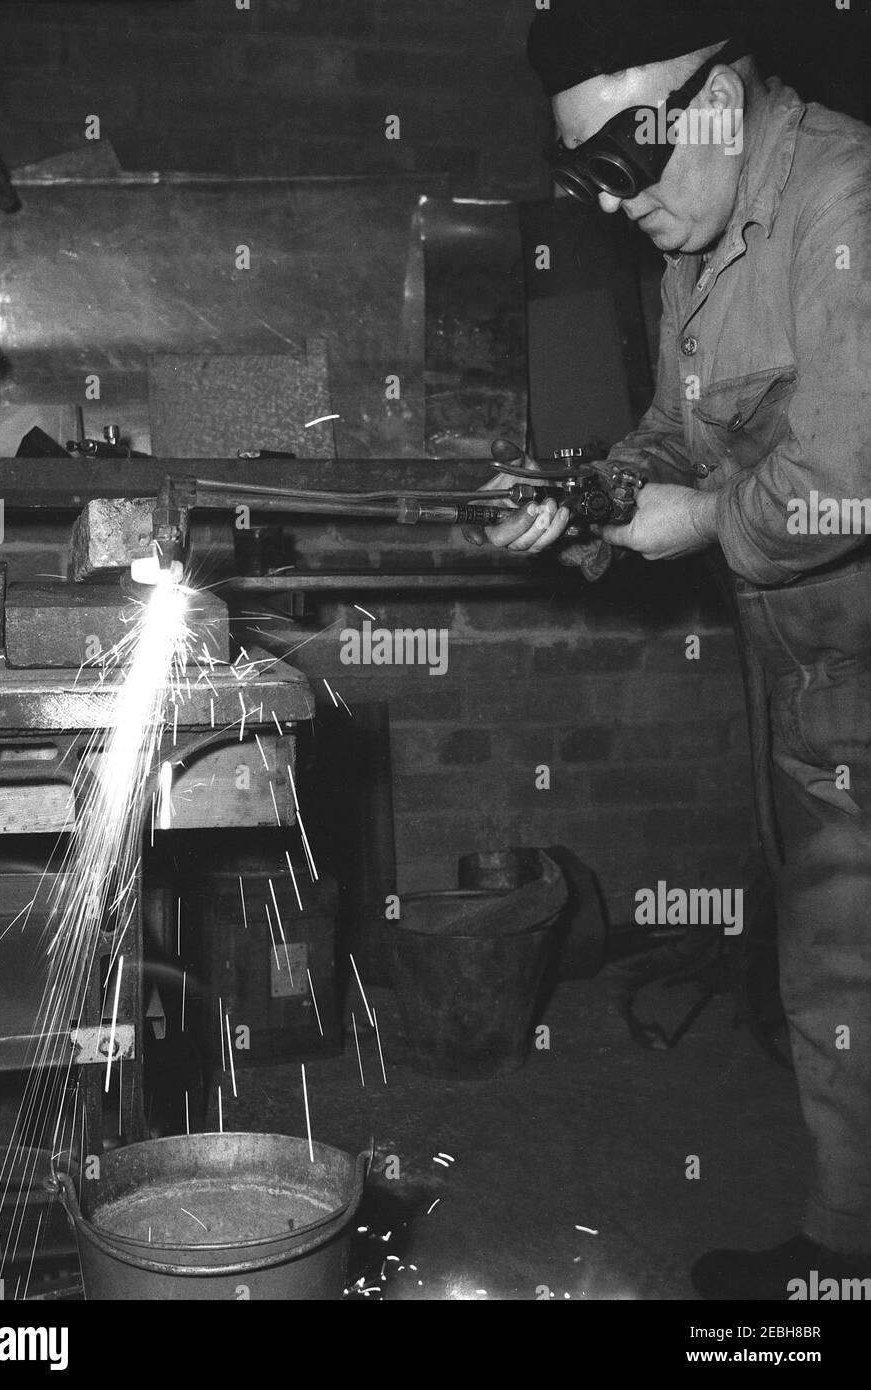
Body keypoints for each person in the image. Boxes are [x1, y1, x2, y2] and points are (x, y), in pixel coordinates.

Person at [473, 0, 871, 1300]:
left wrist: (695, 517)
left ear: (714, 96)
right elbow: (671, 434)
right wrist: (584, 495)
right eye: (585, 176)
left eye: (624, 162)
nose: (613, 204)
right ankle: (842, 1257)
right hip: (808, 683)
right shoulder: (689, 248)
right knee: (831, 974)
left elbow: (845, 480)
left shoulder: (844, 199)